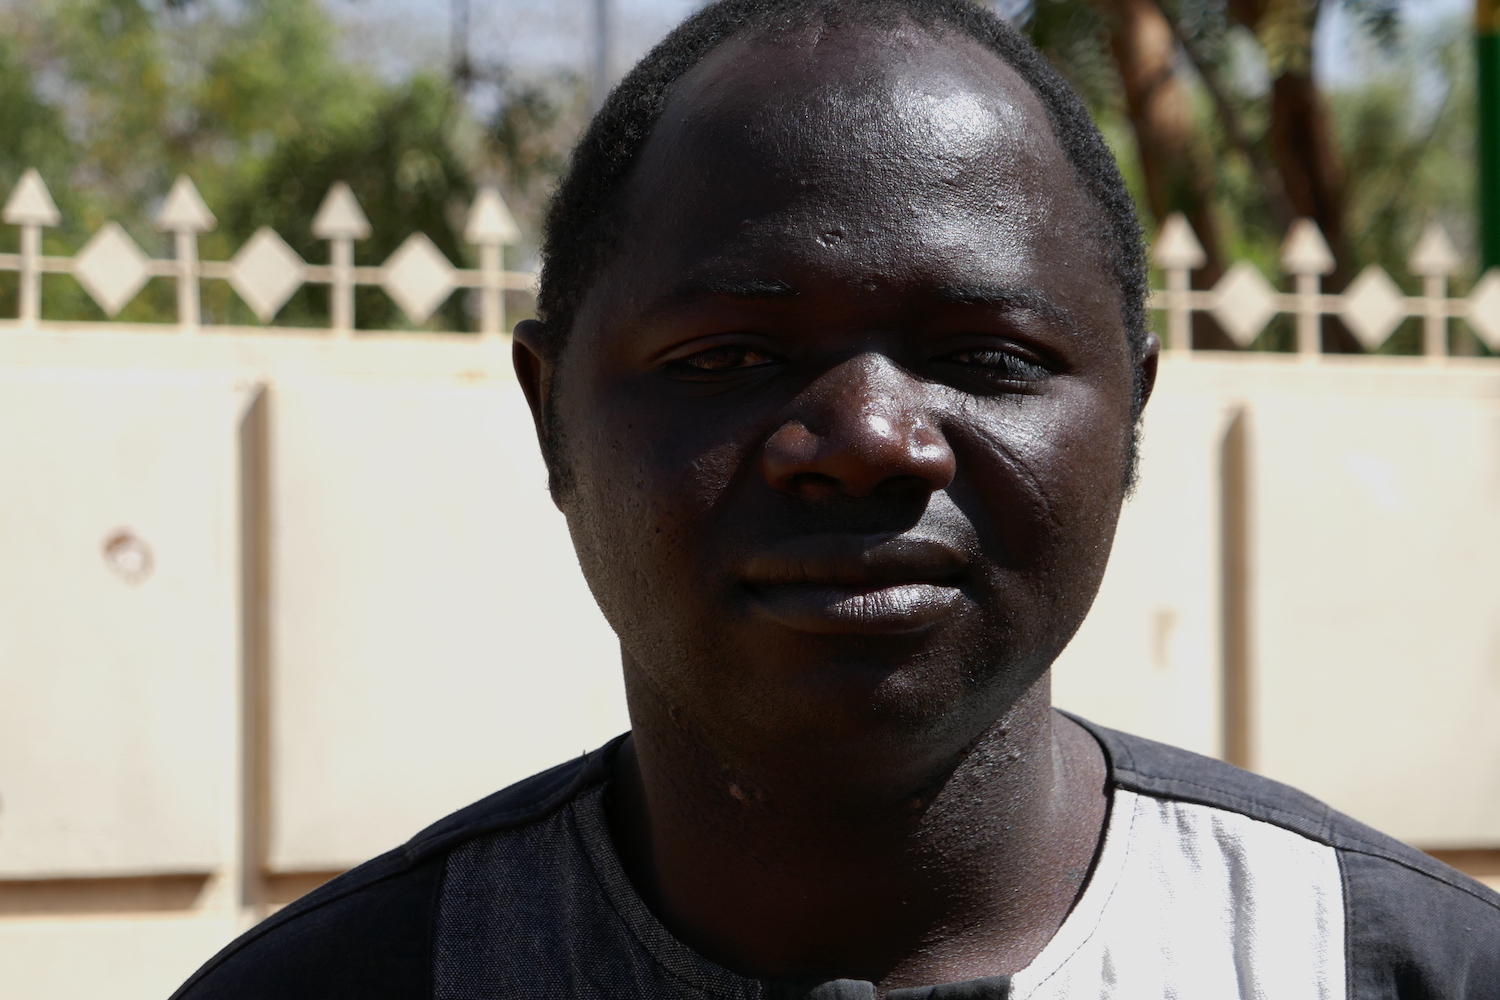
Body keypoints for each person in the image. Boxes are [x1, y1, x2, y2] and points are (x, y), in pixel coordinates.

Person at [173, 1, 1500, 997]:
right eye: (729, 358)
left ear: (1131, 412)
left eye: (986, 358)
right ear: (551, 415)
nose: (866, 442)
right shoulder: (347, 985)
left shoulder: (1388, 967)